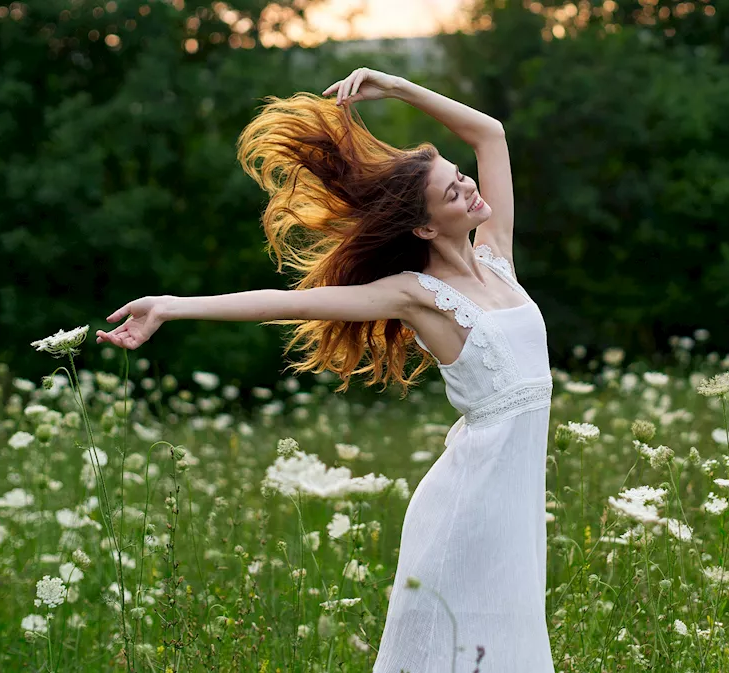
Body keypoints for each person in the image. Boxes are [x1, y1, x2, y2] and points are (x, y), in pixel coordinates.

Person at [95, 67, 556, 673]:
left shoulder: (497, 258)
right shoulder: (416, 294)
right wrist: (172, 307)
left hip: (514, 510)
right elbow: (286, 302)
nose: (470, 189)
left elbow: (490, 134)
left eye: (461, 178)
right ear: (423, 227)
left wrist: (397, 88)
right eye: (453, 193)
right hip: (467, 511)